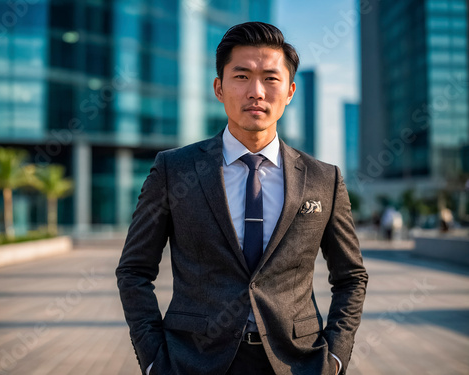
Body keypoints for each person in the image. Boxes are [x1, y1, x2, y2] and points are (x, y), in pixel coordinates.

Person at [116, 22, 368, 375]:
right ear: (219, 88)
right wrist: (154, 359)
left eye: (270, 78)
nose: (257, 91)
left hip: (297, 362)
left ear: (290, 91)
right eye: (241, 76)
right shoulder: (174, 169)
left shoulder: (324, 179)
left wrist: (336, 357)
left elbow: (351, 276)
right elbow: (133, 270)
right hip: (193, 362)